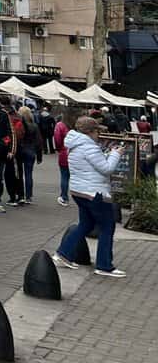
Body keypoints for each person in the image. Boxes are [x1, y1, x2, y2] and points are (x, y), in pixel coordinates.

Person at [52, 117, 127, 278]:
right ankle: (104, 265)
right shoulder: (89, 147)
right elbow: (107, 169)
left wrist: (105, 153)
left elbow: (92, 165)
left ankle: (62, 253)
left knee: (85, 224)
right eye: (97, 131)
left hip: (80, 191)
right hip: (95, 192)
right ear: (90, 132)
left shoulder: (75, 145)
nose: (99, 134)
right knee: (107, 227)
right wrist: (116, 154)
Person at [14, 106, 42, 204]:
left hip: (20, 150)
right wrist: (39, 155)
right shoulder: (34, 125)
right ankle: (29, 196)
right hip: (31, 150)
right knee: (29, 174)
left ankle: (20, 194)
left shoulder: (19, 124)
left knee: (19, 174)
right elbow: (39, 141)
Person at [3, 99, 24, 206]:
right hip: (20, 147)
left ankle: (12, 197)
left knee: (9, 173)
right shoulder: (19, 116)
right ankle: (21, 196)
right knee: (19, 172)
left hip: (9, 148)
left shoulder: (5, 116)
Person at [54, 111, 72, 206]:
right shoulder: (75, 126)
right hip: (75, 153)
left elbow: (57, 139)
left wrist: (59, 148)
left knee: (64, 176)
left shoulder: (60, 125)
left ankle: (64, 197)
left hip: (64, 152)